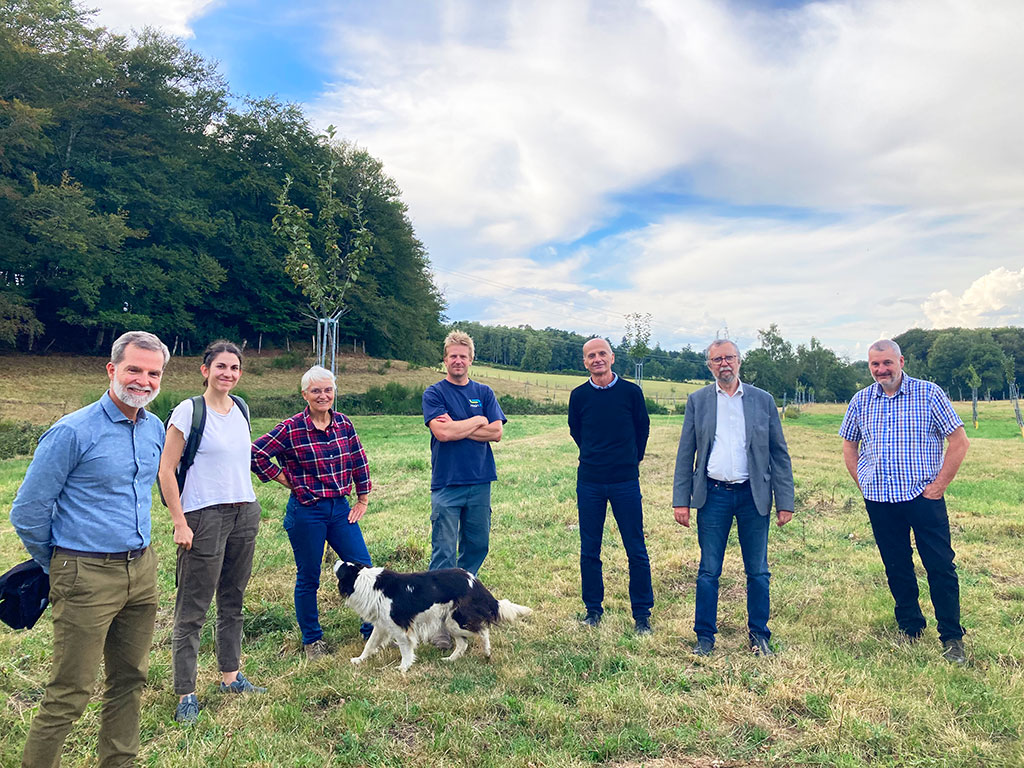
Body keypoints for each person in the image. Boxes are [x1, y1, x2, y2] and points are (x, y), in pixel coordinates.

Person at [9, 331, 167, 767]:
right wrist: (59, 564)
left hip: (142, 569)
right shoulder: (72, 432)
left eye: (153, 373)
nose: (144, 381)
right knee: (69, 691)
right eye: (134, 369)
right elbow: (28, 511)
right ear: (112, 370)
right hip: (84, 573)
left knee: (130, 679)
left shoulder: (153, 428)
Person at [840, 339, 970, 664]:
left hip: (923, 497)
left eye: (887, 363)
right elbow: (849, 446)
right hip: (880, 500)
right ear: (869, 366)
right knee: (897, 566)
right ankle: (910, 627)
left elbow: (959, 441)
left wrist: (939, 486)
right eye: (875, 365)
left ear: (901, 360)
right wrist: (864, 483)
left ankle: (952, 637)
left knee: (940, 566)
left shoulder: (928, 394)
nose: (881, 370)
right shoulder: (861, 401)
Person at [158, 340, 264, 725]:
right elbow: (166, 470)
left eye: (234, 368)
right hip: (203, 517)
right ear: (205, 370)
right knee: (192, 609)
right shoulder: (189, 411)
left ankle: (230, 676)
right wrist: (180, 521)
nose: (228, 373)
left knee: (233, 600)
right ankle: (186, 691)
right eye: (221, 366)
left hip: (244, 513)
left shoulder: (241, 409)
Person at [672, 339, 794, 657]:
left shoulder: (763, 401)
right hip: (713, 496)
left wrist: (785, 501)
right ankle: (705, 637)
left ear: (739, 361)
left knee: (758, 570)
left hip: (753, 495)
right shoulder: (698, 401)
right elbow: (686, 453)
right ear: (710, 366)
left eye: (729, 358)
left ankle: (759, 636)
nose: (724, 364)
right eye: (717, 360)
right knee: (709, 569)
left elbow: (779, 454)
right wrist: (680, 499)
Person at [251, 365, 374, 659]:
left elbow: (359, 460)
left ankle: (373, 630)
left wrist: (363, 499)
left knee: (364, 568)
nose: (323, 396)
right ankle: (312, 639)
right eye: (316, 391)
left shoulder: (343, 424)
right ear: (304, 394)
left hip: (340, 509)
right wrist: (285, 479)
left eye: (328, 390)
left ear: (334, 393)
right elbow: (255, 453)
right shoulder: (291, 427)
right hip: (307, 512)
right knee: (309, 576)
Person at [422, 330, 506, 648]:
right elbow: (442, 434)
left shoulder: (483, 391)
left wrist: (460, 424)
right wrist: (477, 420)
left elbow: (496, 432)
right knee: (443, 552)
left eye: (463, 356)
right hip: (446, 483)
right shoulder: (434, 393)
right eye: (452, 356)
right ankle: (436, 624)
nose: (458, 360)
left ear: (471, 359)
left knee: (478, 545)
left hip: (480, 481)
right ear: (445, 359)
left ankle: (458, 603)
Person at [567, 338, 653, 634]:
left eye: (602, 353)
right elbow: (575, 430)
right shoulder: (579, 396)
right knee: (590, 549)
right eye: (591, 356)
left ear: (612, 357)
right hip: (589, 481)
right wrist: (594, 456)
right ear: (585, 362)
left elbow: (643, 429)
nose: (597, 359)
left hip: (625, 481)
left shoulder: (631, 392)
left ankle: (642, 614)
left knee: (636, 548)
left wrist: (630, 459)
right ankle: (593, 610)